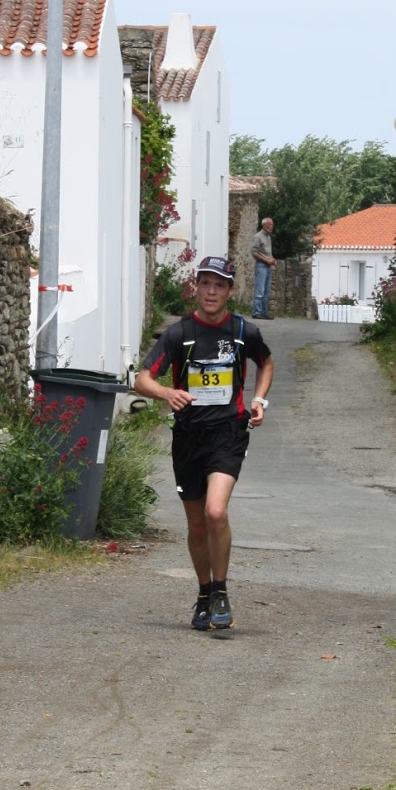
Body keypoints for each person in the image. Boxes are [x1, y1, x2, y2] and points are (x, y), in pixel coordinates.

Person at [134, 256, 273, 632]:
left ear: (230, 290)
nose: (211, 292)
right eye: (205, 284)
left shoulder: (244, 331)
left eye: (219, 285)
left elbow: (266, 363)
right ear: (196, 287)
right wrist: (166, 393)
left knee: (215, 513)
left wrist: (259, 401)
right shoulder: (179, 334)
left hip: (228, 433)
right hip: (188, 438)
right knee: (196, 526)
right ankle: (203, 592)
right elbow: (141, 379)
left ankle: (222, 591)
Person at [251, 216, 275, 320]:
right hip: (261, 266)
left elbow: (267, 252)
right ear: (264, 225)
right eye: (269, 225)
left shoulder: (268, 238)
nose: (271, 227)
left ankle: (264, 313)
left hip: (268, 266)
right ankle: (256, 312)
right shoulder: (258, 237)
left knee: (266, 291)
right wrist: (266, 260)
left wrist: (272, 259)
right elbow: (254, 253)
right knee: (260, 290)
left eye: (272, 225)